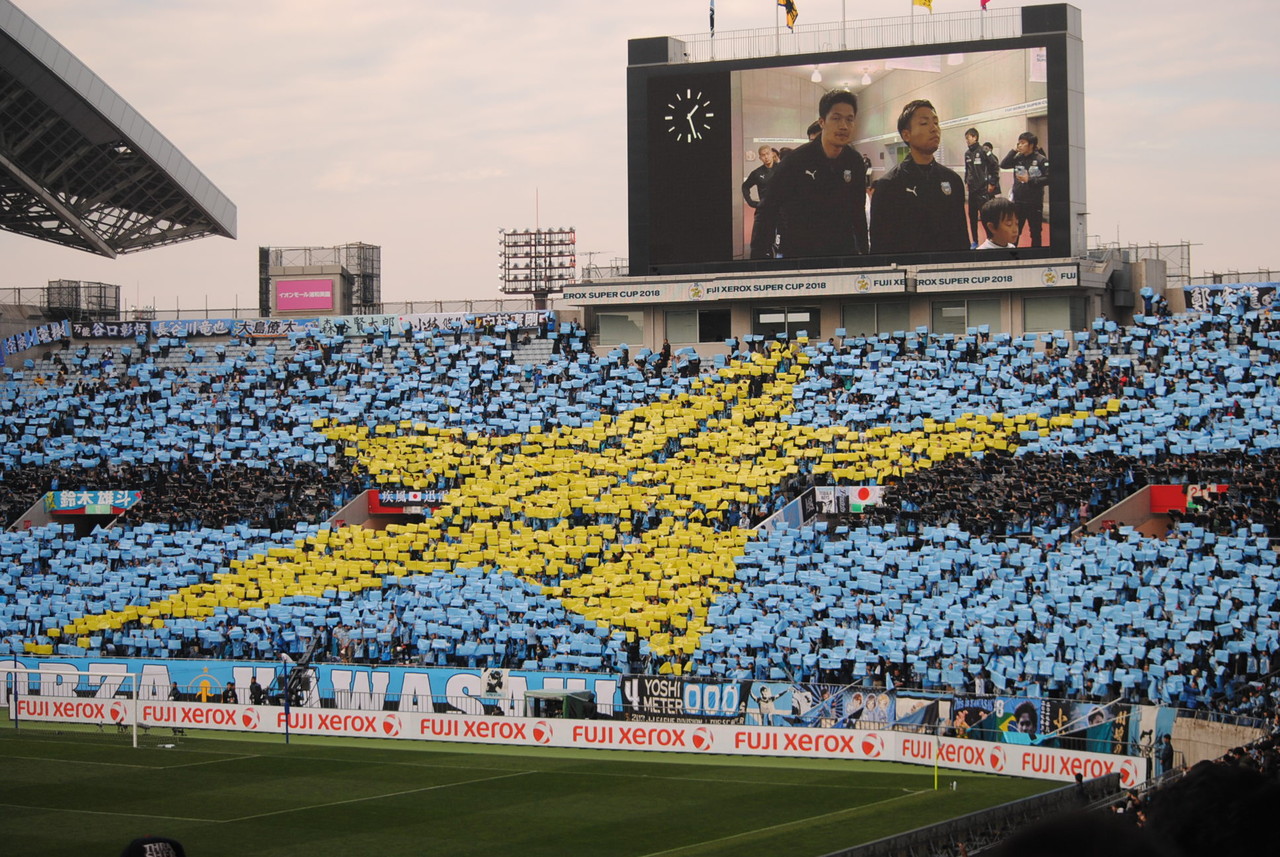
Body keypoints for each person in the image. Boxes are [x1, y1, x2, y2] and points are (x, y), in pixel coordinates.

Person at [749, 89, 868, 260]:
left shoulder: (855, 161)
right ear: (822, 122)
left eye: (850, 119)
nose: (844, 126)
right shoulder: (796, 161)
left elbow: (858, 210)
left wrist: (865, 252)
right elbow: (767, 209)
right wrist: (758, 258)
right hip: (802, 255)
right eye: (836, 118)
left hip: (842, 253)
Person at [869, 99, 968, 254]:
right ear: (906, 135)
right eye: (924, 123)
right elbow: (880, 246)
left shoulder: (953, 181)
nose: (934, 128)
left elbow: (961, 237)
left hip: (945, 274)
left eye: (936, 123)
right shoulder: (889, 185)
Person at [1000, 131, 1050, 247]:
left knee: (1035, 232)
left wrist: (1030, 180)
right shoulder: (1018, 158)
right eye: (1018, 143)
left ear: (1031, 145)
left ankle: (1036, 256)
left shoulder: (1041, 160)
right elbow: (1003, 164)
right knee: (1015, 231)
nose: (1020, 145)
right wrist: (1013, 151)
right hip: (1018, 202)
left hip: (1034, 203)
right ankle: (1013, 255)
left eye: (1023, 143)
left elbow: (1049, 178)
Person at [963, 127, 1000, 247]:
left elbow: (995, 165)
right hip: (972, 192)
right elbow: (967, 169)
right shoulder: (967, 153)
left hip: (983, 191)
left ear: (975, 137)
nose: (967, 141)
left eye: (968, 138)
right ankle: (974, 241)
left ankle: (991, 241)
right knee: (972, 217)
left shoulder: (984, 150)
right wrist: (967, 181)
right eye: (966, 139)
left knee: (985, 218)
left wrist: (992, 183)